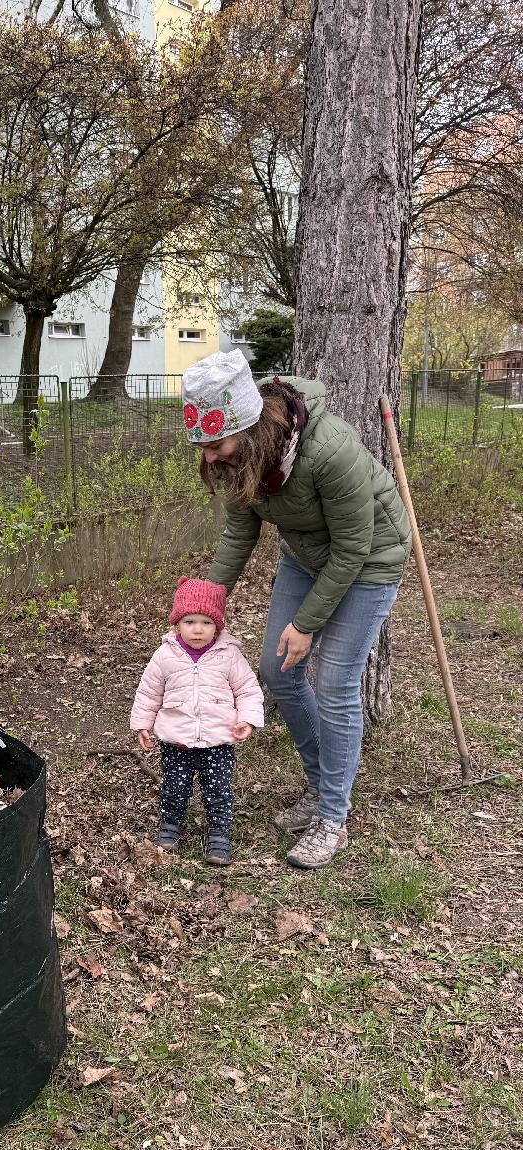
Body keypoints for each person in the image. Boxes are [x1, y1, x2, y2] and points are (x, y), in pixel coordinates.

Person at [182, 349, 412, 869]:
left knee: (334, 683)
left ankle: (333, 816)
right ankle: (319, 784)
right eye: (203, 447)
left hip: (371, 558)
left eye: (215, 443)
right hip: (307, 555)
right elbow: (240, 533)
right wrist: (204, 606)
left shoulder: (330, 450)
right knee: (277, 671)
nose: (211, 457)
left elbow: (355, 546)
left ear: (246, 425)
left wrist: (306, 624)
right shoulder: (244, 458)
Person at [130, 577, 264, 863]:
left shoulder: (229, 655)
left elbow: (248, 690)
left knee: (217, 790)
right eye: (190, 621)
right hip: (176, 742)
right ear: (177, 623)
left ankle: (218, 835)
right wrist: (143, 724)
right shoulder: (165, 655)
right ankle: (169, 826)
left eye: (206, 622)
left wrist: (248, 720)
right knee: (174, 788)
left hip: (217, 742)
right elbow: (149, 692)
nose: (198, 629)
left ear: (218, 626)